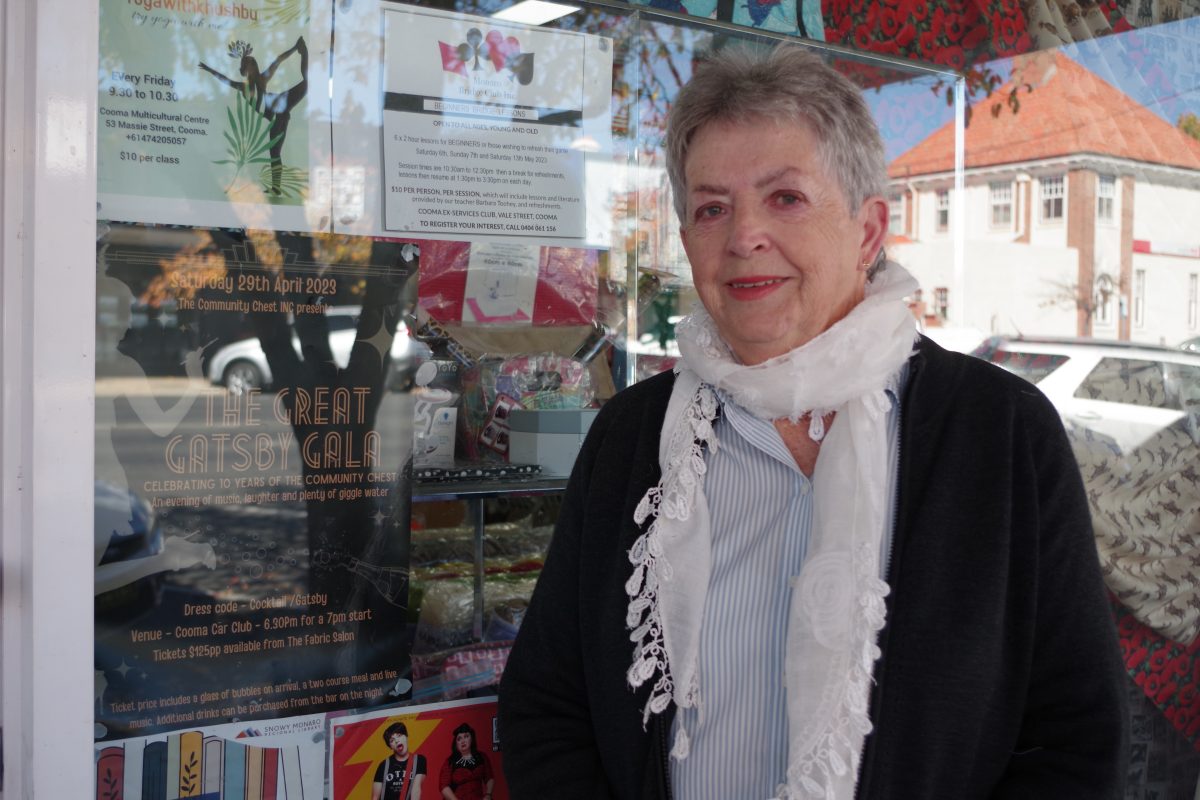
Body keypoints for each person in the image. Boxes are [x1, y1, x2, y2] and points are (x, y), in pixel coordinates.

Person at [498, 43, 1128, 799]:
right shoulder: (632, 440)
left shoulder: (1002, 435)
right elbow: (547, 706)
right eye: (711, 207)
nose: (743, 237)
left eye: (785, 197)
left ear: (867, 232)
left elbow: (1074, 736)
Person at [199, 36, 309, 195]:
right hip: (277, 114)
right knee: (275, 152)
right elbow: (226, 80)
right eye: (242, 64)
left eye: (244, 64)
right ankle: (276, 187)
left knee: (306, 83)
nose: (242, 67)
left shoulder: (261, 79)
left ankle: (303, 49)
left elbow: (278, 61)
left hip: (278, 104)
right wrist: (209, 70)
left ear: (251, 66)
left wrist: (294, 49)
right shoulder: (245, 86)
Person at [438, 723, 495, 800]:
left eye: (466, 736)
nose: (462, 741)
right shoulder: (450, 762)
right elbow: (444, 786)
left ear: (472, 738)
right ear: (456, 743)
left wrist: (488, 795)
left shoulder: (481, 757)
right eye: (459, 739)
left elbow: (489, 777)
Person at [372, 721, 426, 800]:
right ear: (390, 746)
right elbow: (375, 797)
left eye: (399, 735)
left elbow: (416, 790)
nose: (397, 741)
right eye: (392, 740)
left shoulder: (419, 760)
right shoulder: (383, 765)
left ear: (406, 736)